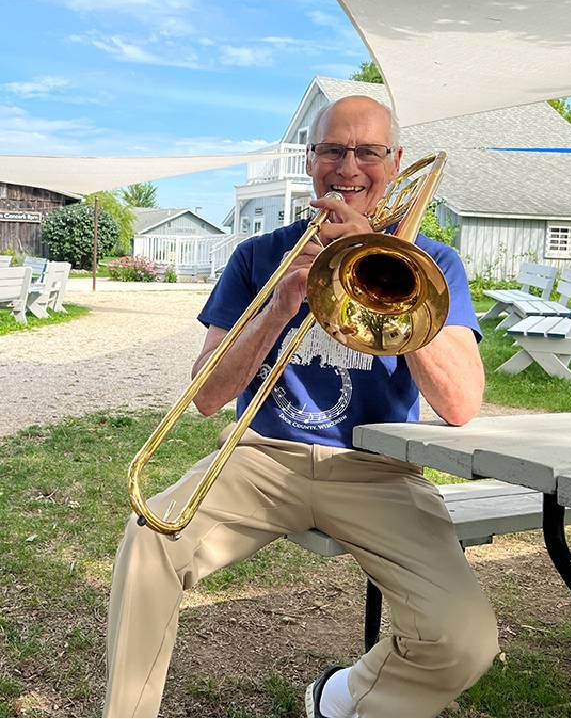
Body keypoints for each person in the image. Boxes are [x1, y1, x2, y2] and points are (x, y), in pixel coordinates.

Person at [104, 95, 499, 718]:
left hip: (379, 469)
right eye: (333, 150)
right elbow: (207, 397)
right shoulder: (256, 256)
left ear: (393, 163)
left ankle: (340, 698)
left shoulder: (434, 264)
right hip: (262, 460)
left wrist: (390, 269)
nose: (349, 166)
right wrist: (280, 305)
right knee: (149, 536)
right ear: (312, 160)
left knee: (465, 640)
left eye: (367, 151)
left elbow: (460, 404)